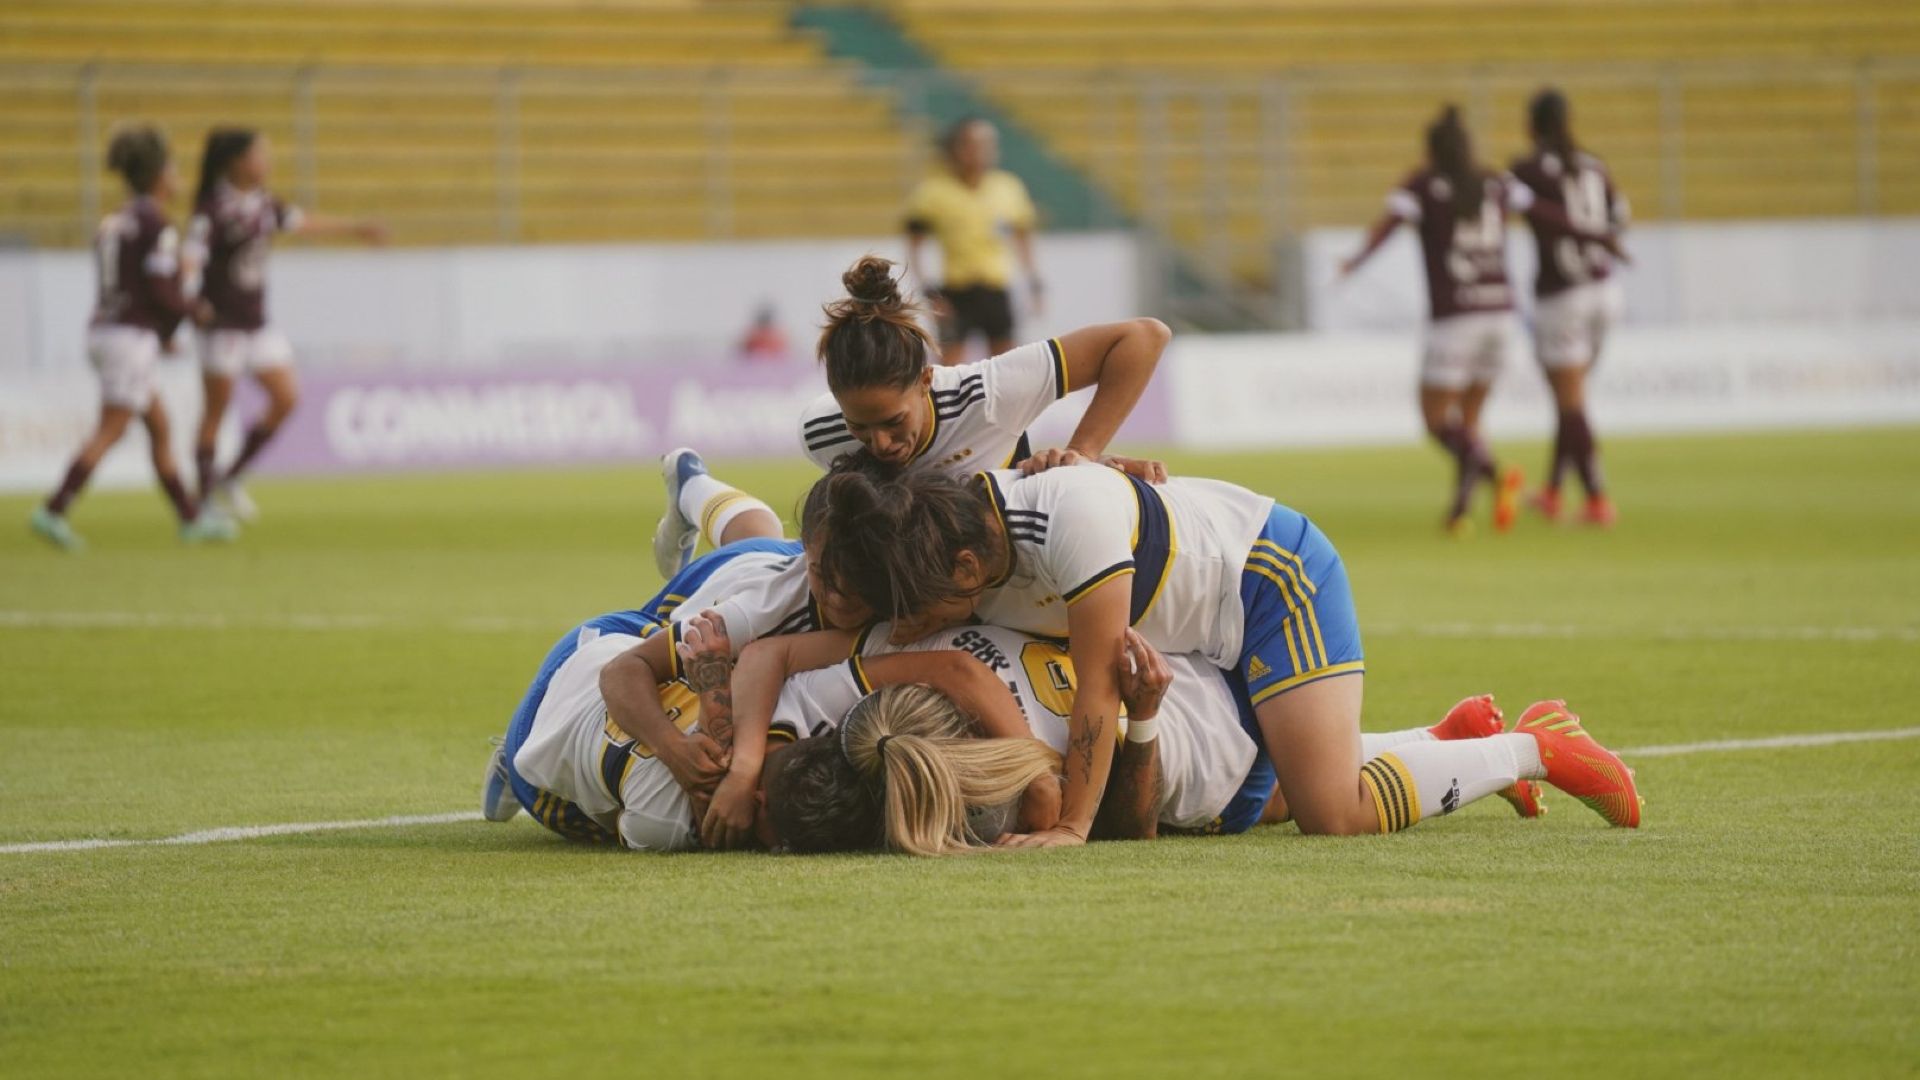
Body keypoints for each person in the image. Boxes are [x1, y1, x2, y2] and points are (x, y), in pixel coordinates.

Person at [810, 464, 1640, 848]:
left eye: (919, 610)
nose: (909, 627)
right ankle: (1446, 738)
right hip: (1201, 636)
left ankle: (1537, 748)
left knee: (1331, 812)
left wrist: (1068, 826)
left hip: (1272, 589)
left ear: (964, 571)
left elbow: (1097, 694)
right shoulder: (952, 529)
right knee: (1263, 788)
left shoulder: (1070, 526)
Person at [717, 618, 1529, 855]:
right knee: (1305, 775)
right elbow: (959, 675)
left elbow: (1131, 828)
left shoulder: (1012, 802)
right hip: (1199, 671)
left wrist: (1071, 785)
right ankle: (1442, 734)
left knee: (1304, 805)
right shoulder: (889, 674)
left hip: (1200, 747)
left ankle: (1529, 750)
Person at [653, 257, 1169, 575]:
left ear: (926, 380)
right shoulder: (822, 430)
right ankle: (691, 488)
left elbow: (1143, 337)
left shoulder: (986, 394)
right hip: (919, 563)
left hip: (983, 553)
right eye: (861, 427)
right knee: (773, 574)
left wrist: (1085, 456)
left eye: (893, 423)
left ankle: (692, 488)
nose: (878, 444)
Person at [484, 608, 1046, 853]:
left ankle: (696, 489)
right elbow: (623, 818)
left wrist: (711, 701)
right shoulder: (663, 819)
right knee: (594, 820)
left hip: (609, 642)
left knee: (757, 561)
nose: (765, 845)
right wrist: (678, 746)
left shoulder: (791, 698)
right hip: (561, 715)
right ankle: (511, 762)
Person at [1341, 106, 1619, 535]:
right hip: (1502, 315)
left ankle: (1494, 474)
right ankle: (1459, 512)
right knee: (1469, 421)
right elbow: (1548, 215)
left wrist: (1357, 259)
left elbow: (1389, 225)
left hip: (1455, 317)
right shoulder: (1496, 181)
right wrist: (1598, 237)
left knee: (1437, 420)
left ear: (1431, 150)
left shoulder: (1423, 184)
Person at [28, 125, 237, 551]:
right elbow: (160, 288)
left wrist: (158, 334)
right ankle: (53, 509)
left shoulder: (116, 220)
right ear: (160, 175)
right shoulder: (156, 222)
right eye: (174, 170)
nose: (178, 179)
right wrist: (194, 310)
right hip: (128, 338)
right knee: (111, 429)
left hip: (108, 330)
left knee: (160, 426)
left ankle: (190, 518)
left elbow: (130, 287)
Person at [187, 127, 386, 521]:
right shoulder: (212, 210)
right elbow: (190, 257)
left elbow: (303, 222)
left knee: (286, 399)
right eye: (260, 155)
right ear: (237, 163)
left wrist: (354, 228)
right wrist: (189, 303)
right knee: (216, 411)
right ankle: (204, 499)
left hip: (257, 324)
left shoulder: (263, 204)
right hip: (222, 325)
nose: (267, 163)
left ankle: (231, 477)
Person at [1509, 89, 1629, 527]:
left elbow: (1510, 205)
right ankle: (1554, 492)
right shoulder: (1595, 165)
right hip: (1604, 289)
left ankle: (1598, 499)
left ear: (1532, 124)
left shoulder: (1526, 171)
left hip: (1561, 296)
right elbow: (1622, 213)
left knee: (1570, 400)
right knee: (1570, 400)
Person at [904, 117, 1039, 365]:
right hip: (956, 292)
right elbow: (914, 245)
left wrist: (1034, 281)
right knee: (948, 371)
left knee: (1007, 367)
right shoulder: (933, 193)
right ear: (956, 149)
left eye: (988, 144)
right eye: (973, 144)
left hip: (995, 288)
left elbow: (1023, 238)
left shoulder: (1008, 188)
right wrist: (927, 290)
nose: (982, 152)